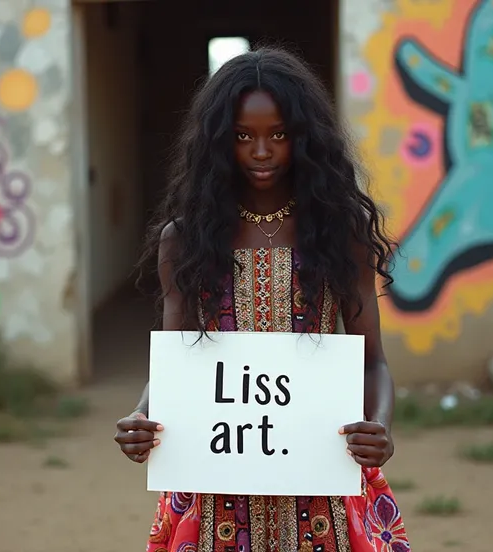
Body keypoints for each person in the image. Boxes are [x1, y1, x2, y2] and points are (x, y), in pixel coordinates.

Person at [114, 46, 410, 552]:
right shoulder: (185, 240)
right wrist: (143, 417)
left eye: (278, 135)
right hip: (215, 487)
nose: (261, 152)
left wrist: (377, 428)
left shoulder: (343, 231)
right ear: (217, 143)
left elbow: (372, 363)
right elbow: (173, 368)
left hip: (320, 484)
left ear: (305, 137)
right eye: (242, 137)